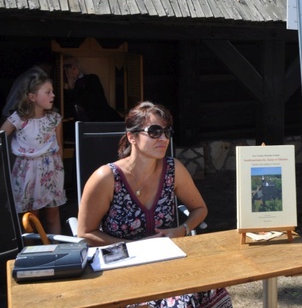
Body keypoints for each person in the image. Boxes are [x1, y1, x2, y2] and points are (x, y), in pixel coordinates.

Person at [77, 101, 232, 307]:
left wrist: (182, 229)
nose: (163, 138)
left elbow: (200, 209)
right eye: (155, 131)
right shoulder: (106, 178)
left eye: (167, 132)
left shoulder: (173, 170)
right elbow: (85, 233)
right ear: (132, 137)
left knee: (215, 291)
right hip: (122, 269)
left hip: (166, 264)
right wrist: (134, 248)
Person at [1, 69, 66, 234]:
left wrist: (58, 171)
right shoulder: (19, 118)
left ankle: (56, 253)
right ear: (32, 97)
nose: (53, 95)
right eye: (48, 92)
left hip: (50, 170)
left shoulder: (54, 119)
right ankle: (30, 254)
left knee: (52, 213)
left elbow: (59, 147)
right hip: (27, 172)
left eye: (52, 92)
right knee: (30, 218)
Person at [63, 56, 122, 122]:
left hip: (103, 118)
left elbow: (95, 101)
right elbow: (68, 110)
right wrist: (70, 87)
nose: (73, 69)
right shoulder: (65, 87)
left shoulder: (92, 79)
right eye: (66, 67)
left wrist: (73, 87)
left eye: (74, 66)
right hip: (82, 124)